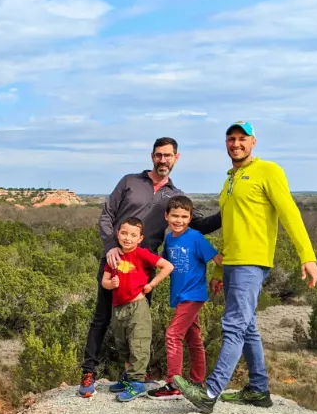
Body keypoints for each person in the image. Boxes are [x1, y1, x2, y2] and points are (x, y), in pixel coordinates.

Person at [174, 121, 317, 414]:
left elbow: (289, 212)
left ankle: (210, 392)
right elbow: (228, 226)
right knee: (248, 326)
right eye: (231, 138)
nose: (236, 143)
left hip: (252, 262)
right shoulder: (230, 179)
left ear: (253, 142)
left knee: (234, 326)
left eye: (242, 138)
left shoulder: (268, 171)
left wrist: (307, 255)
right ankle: (258, 389)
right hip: (233, 263)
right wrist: (217, 271)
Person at [78, 137, 222, 398]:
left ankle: (132, 375)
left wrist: (229, 211)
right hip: (114, 260)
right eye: (159, 155)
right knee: (102, 319)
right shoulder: (130, 182)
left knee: (137, 324)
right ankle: (89, 373)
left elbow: (198, 224)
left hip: (145, 267)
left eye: (168, 155)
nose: (163, 160)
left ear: (176, 158)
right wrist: (111, 245)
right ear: (152, 156)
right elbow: (107, 215)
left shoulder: (175, 196)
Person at [147, 195, 222, 400]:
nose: (178, 220)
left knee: (173, 335)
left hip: (193, 295)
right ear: (166, 216)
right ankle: (198, 381)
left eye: (183, 216)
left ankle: (173, 384)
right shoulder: (170, 239)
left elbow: (218, 260)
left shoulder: (196, 237)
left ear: (190, 218)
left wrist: (220, 277)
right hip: (180, 295)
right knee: (193, 338)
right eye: (174, 216)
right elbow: (164, 264)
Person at [100, 217, 174, 402]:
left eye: (133, 235)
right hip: (118, 307)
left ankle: (137, 383)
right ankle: (128, 376)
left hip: (137, 307)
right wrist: (111, 283)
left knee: (138, 343)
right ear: (118, 234)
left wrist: (151, 285)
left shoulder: (142, 254)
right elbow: (104, 281)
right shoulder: (114, 257)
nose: (128, 238)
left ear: (140, 238)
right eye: (124, 233)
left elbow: (167, 266)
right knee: (123, 344)